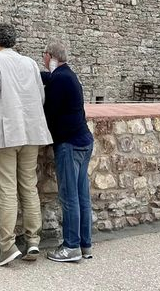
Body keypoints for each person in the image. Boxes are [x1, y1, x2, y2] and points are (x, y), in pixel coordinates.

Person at [0, 22, 53, 266]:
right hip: (31, 131)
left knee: (7, 190)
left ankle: (7, 246)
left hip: (6, 132)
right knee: (29, 187)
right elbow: (41, 96)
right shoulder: (30, 63)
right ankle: (33, 241)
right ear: (14, 41)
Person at [41, 39, 94, 262]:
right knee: (82, 196)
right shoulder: (69, 76)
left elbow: (49, 112)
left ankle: (71, 246)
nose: (43, 59)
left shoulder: (59, 80)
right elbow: (50, 79)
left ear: (50, 56)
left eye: (44, 55)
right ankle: (85, 244)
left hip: (69, 144)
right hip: (83, 140)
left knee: (69, 196)